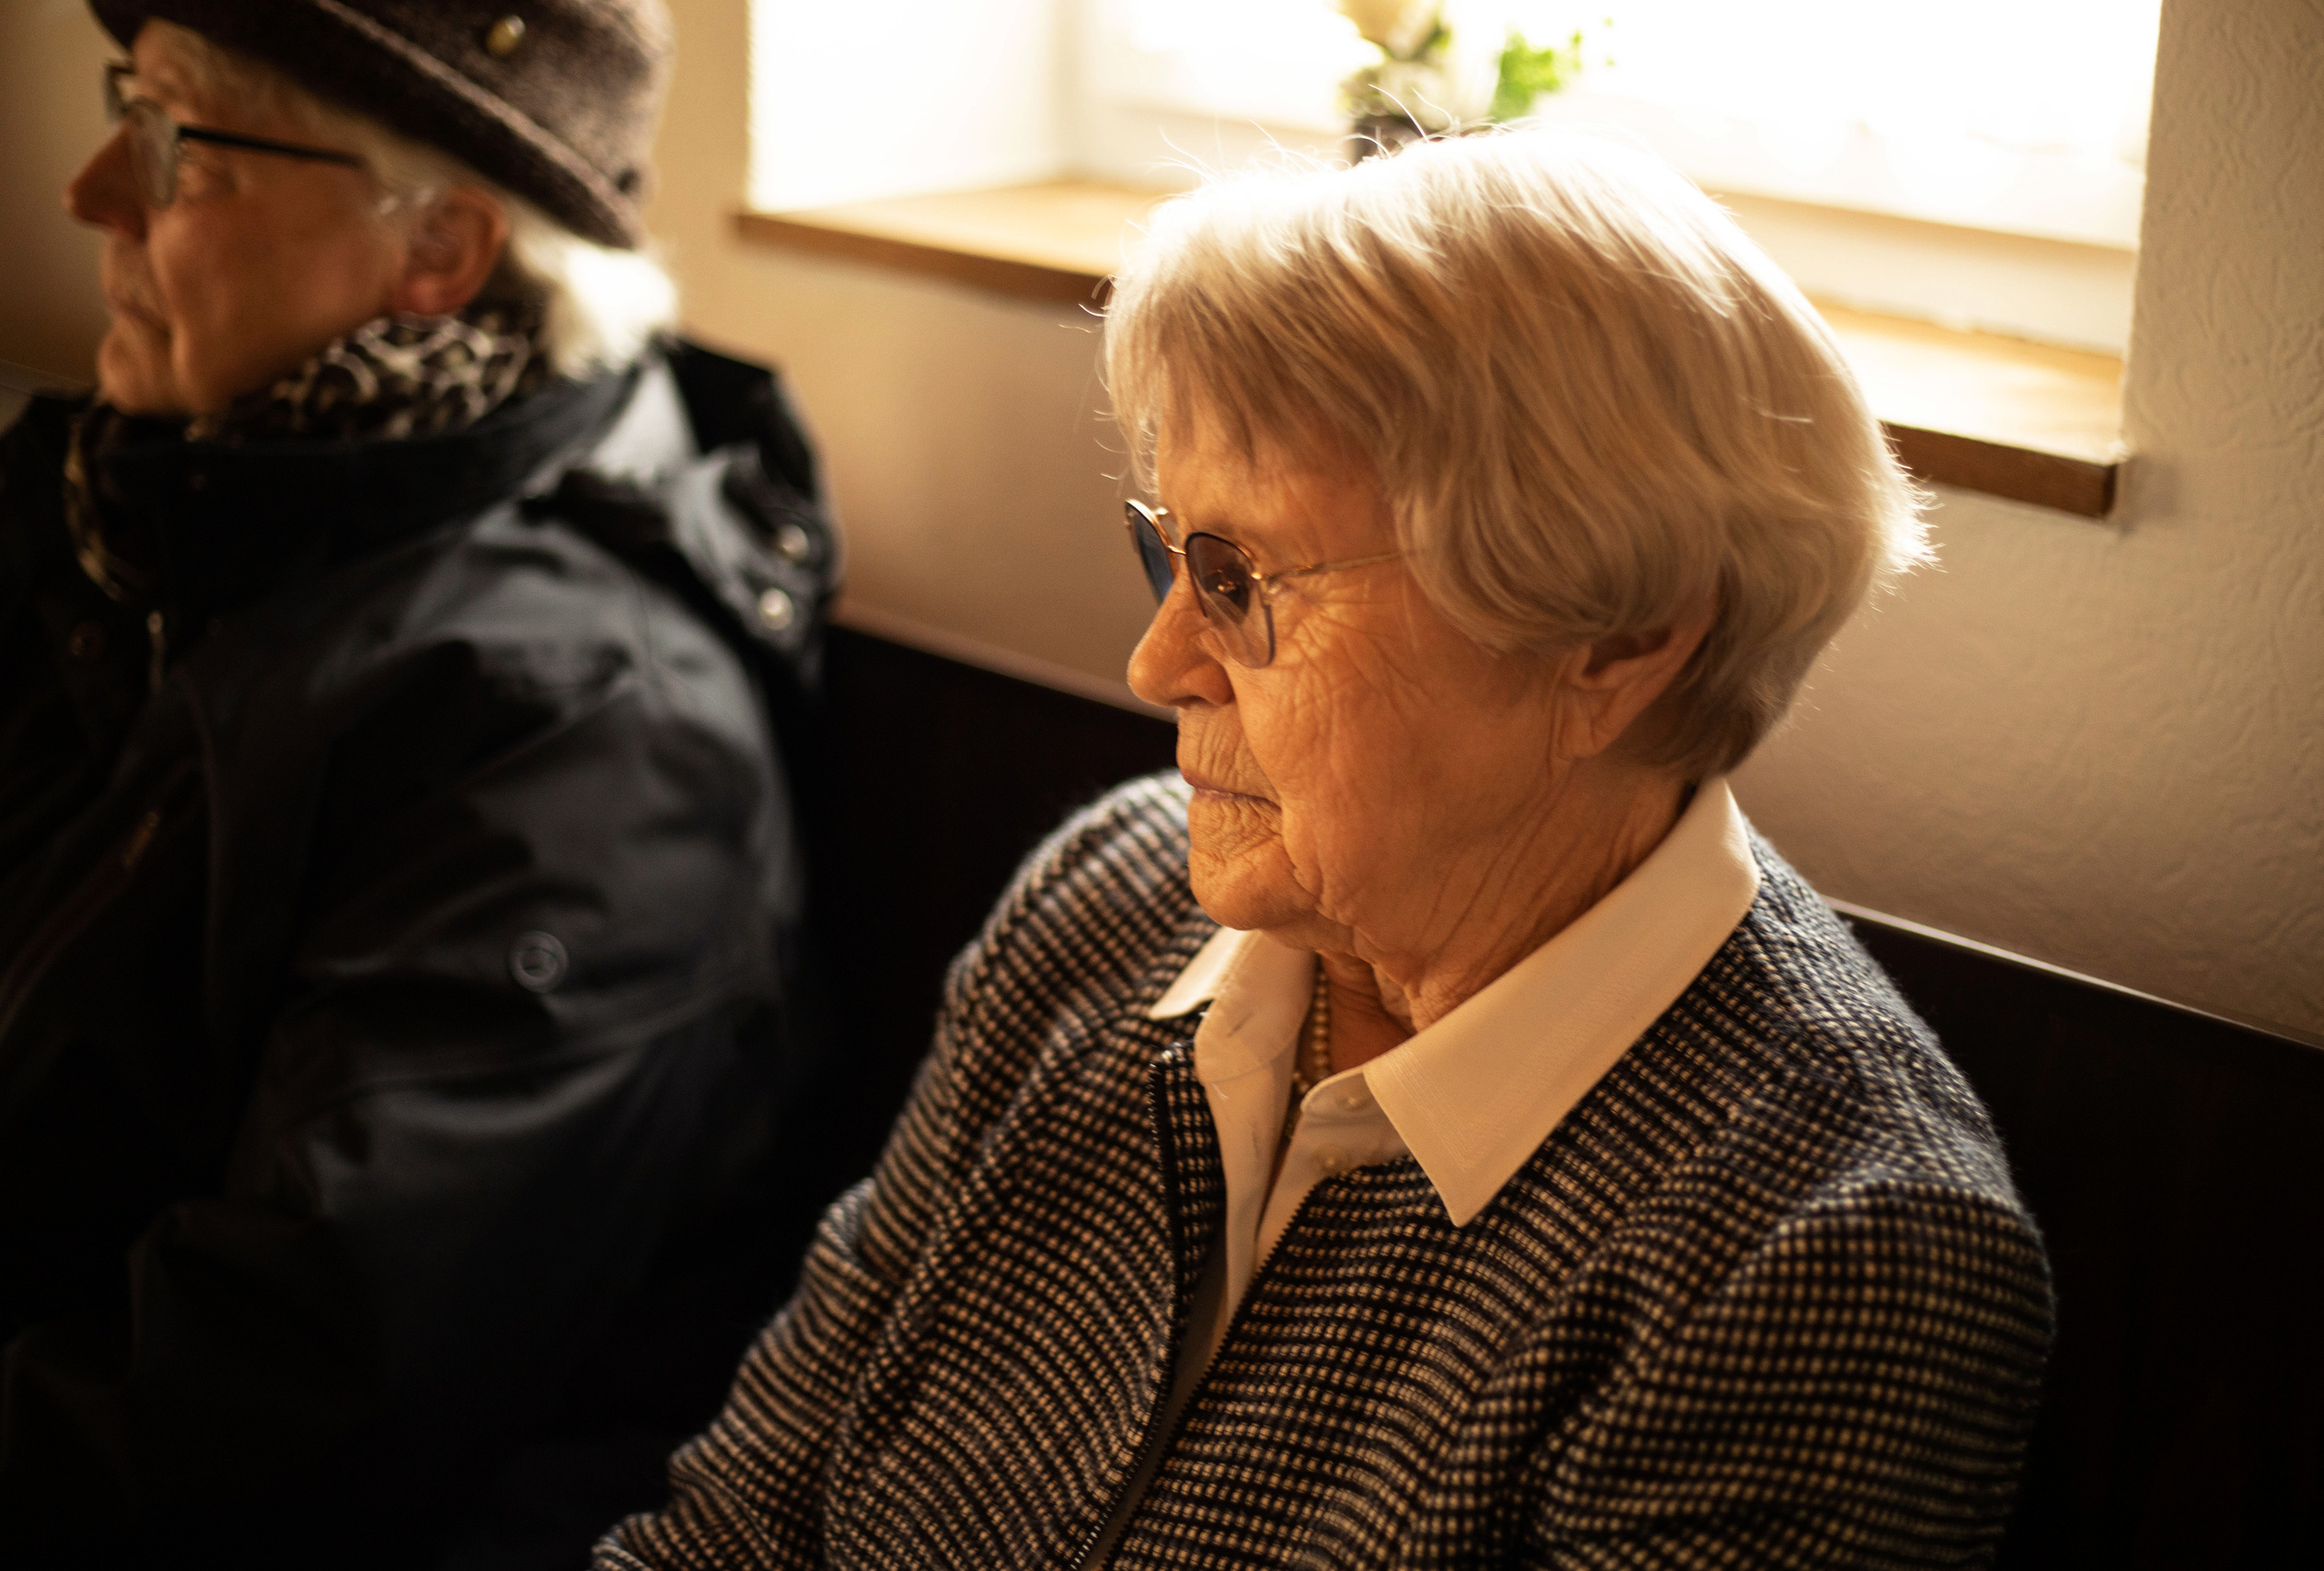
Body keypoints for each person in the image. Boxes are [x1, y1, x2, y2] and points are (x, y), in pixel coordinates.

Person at [599, 128, 2052, 1570]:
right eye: (1171, 551)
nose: (1156, 660)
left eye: (1238, 578)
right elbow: (734, 1526)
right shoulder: (1105, 904)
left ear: (1612, 643)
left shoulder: (1827, 1255)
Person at [0, 2, 838, 1564]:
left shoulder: (585, 736)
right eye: (131, 100)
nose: (92, 185)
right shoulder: (146, 513)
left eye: (181, 140)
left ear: (439, 251)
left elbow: (255, 1415)